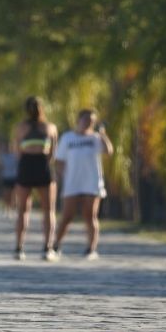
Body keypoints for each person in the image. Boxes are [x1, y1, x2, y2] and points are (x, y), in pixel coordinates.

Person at [53, 109, 114, 259]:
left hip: (92, 183)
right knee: (67, 216)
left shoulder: (96, 138)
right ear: (78, 120)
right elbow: (59, 161)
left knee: (90, 215)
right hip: (72, 183)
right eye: (86, 119)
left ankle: (91, 249)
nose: (88, 123)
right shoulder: (68, 138)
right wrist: (63, 175)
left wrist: (103, 135)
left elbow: (109, 151)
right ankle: (55, 245)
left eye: (92, 121)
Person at [13, 96, 59, 261]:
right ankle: (46, 248)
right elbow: (53, 154)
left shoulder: (20, 128)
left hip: (27, 165)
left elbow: (17, 151)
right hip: (41, 165)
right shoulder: (50, 127)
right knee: (47, 210)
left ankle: (20, 248)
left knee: (25, 210)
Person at [0, 147, 19, 215]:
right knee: (6, 193)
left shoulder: (15, 156)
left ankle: (12, 207)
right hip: (6, 177)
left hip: (14, 177)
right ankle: (7, 208)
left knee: (14, 194)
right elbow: (0, 165)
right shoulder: (3, 156)